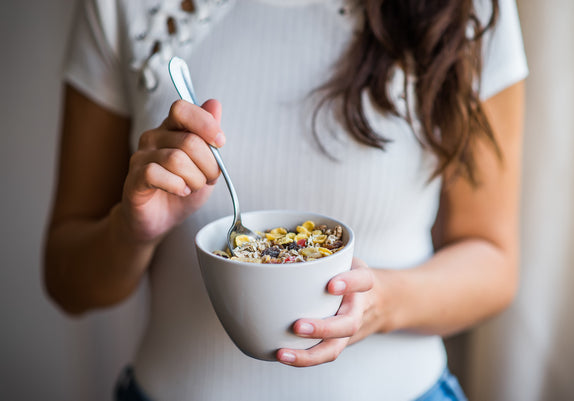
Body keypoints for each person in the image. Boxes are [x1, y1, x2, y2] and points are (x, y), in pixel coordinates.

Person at [44, 0, 528, 399]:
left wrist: (381, 303)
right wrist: (132, 231)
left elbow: (492, 260)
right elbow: (68, 282)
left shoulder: (471, 10)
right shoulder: (122, 9)